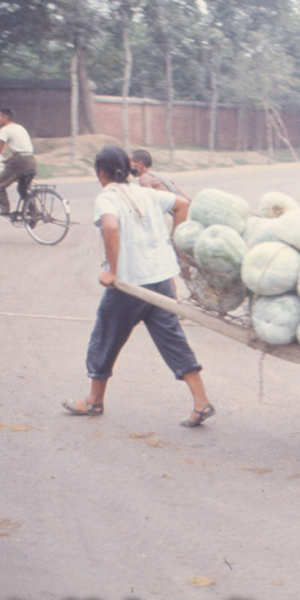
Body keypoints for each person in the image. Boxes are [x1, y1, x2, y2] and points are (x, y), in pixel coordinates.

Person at [63, 145, 215, 428]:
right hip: (161, 281)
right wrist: (173, 241)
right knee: (172, 339)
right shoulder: (146, 193)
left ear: (101, 173)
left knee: (105, 337)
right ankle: (201, 400)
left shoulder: (107, 197)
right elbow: (183, 205)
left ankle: (94, 401)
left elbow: (110, 227)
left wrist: (113, 271)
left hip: (130, 285)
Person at [0, 108, 37, 215]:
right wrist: (9, 159)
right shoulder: (20, 127)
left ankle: (5, 210)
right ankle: (34, 212)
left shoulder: (5, 130)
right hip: (31, 161)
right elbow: (23, 148)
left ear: (5, 117)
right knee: (22, 189)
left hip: (19, 162)